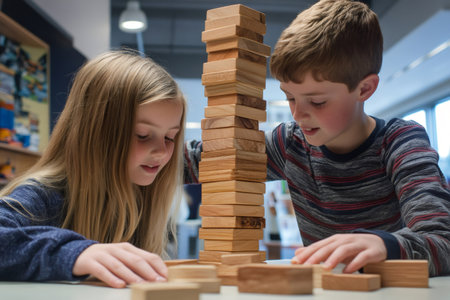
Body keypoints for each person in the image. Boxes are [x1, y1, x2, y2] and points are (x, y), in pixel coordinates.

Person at [184, 0, 450, 276]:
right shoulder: (289, 145)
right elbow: (201, 160)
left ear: (365, 89)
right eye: (290, 98)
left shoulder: (400, 143)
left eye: (318, 101)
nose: (299, 114)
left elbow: (443, 242)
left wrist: (385, 244)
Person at [0, 50, 187, 288]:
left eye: (170, 137)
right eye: (142, 135)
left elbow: (213, 154)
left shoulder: (150, 171)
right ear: (97, 134)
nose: (161, 152)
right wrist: (75, 252)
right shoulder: (46, 194)